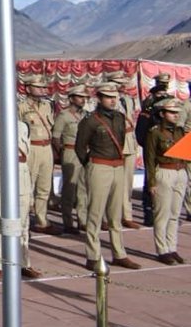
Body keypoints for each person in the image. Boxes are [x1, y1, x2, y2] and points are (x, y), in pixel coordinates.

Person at [74, 84, 141, 270]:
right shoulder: (90, 121)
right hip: (99, 166)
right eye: (108, 97)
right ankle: (93, 255)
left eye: (114, 97)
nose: (112, 100)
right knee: (95, 213)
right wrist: (90, 165)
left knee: (115, 214)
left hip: (117, 166)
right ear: (99, 98)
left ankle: (119, 253)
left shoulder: (120, 118)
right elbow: (80, 147)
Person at [0, 97, 41, 280]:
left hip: (21, 173)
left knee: (23, 222)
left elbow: (26, 151)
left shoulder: (22, 126)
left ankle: (23, 262)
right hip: (1, 172)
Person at [144, 97, 188, 264]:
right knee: (162, 213)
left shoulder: (179, 131)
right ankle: (162, 250)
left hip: (180, 171)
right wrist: (152, 182)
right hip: (164, 172)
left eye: (177, 113)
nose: (175, 115)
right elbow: (149, 159)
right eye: (171, 112)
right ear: (162, 113)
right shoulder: (155, 132)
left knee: (175, 214)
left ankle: (172, 247)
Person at [51, 85, 92, 234]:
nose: (83, 100)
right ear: (71, 98)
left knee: (83, 188)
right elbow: (56, 137)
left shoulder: (86, 115)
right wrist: (61, 152)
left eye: (84, 97)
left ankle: (83, 219)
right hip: (70, 150)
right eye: (79, 97)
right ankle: (68, 221)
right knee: (69, 188)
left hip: (84, 152)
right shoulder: (64, 115)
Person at [105, 70, 143, 230]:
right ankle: (109, 216)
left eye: (122, 82)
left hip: (128, 141)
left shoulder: (128, 99)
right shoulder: (105, 102)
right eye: (118, 82)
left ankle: (126, 216)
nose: (121, 85)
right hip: (114, 142)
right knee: (111, 182)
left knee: (127, 182)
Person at [19, 76, 56, 233]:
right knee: (28, 186)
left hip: (46, 147)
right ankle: (24, 222)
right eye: (38, 87)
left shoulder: (48, 106)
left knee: (44, 187)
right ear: (28, 88)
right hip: (31, 147)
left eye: (44, 87)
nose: (42, 90)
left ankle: (42, 220)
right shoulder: (21, 107)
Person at [137, 72, 173, 227]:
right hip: (152, 145)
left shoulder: (171, 103)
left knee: (169, 180)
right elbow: (142, 130)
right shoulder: (149, 104)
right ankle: (149, 211)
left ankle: (166, 210)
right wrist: (147, 144)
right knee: (150, 179)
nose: (162, 93)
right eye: (160, 88)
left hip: (167, 146)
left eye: (164, 87)